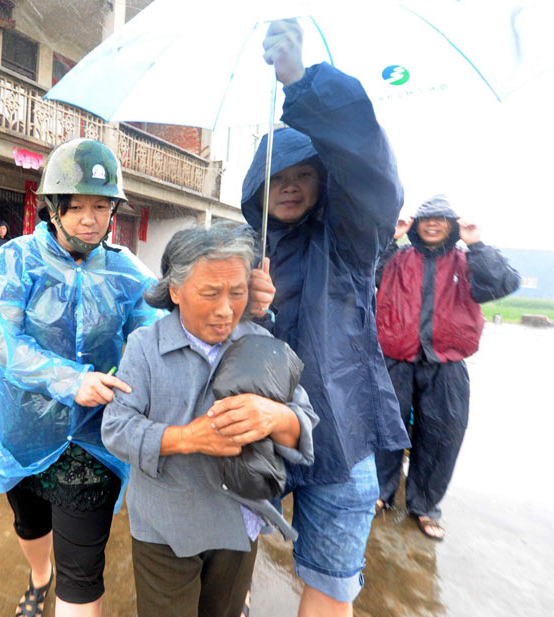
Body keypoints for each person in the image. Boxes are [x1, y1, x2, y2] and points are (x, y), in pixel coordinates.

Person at [240, 20, 411, 617]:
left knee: (333, 579)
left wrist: (300, 82)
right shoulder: (241, 248)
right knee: (230, 560)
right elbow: (195, 330)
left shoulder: (349, 238)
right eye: (275, 180)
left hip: (340, 434)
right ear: (255, 191)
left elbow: (370, 169)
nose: (288, 188)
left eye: (303, 175)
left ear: (324, 181)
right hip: (252, 433)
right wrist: (242, 309)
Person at [0, 138, 168, 617]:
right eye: (78, 206)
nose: (90, 218)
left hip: (92, 440)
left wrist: (238, 299)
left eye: (102, 206)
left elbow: (161, 326)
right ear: (54, 207)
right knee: (30, 525)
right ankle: (39, 576)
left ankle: (60, 585)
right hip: (22, 430)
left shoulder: (127, 271)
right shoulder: (18, 259)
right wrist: (69, 380)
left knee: (83, 574)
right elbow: (1, 340)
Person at [101, 222, 317, 617]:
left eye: (237, 293)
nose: (224, 309)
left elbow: (303, 424)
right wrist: (187, 438)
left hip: (238, 522)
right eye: (210, 293)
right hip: (166, 527)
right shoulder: (146, 348)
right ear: (176, 290)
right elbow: (116, 428)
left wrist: (276, 415)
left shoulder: (261, 346)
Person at [374, 195, 521, 540]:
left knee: (443, 435)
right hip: (396, 358)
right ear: (417, 225)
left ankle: (425, 505)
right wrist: (390, 236)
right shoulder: (398, 257)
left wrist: (477, 243)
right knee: (384, 428)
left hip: (447, 363)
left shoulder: (467, 262)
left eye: (441, 218)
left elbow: (503, 283)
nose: (433, 224)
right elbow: (363, 271)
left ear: (453, 225)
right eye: (426, 218)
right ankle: (380, 493)